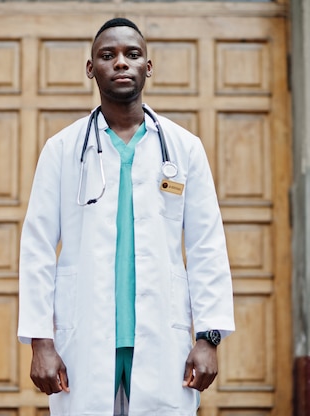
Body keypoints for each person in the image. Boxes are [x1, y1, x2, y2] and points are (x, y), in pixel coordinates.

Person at [17, 18, 235, 415]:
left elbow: (207, 247)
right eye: (108, 55)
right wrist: (40, 341)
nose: (121, 63)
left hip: (161, 340)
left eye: (132, 54)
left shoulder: (184, 149)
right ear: (91, 68)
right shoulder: (61, 150)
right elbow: (36, 249)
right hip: (83, 339)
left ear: (147, 67)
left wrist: (209, 337)